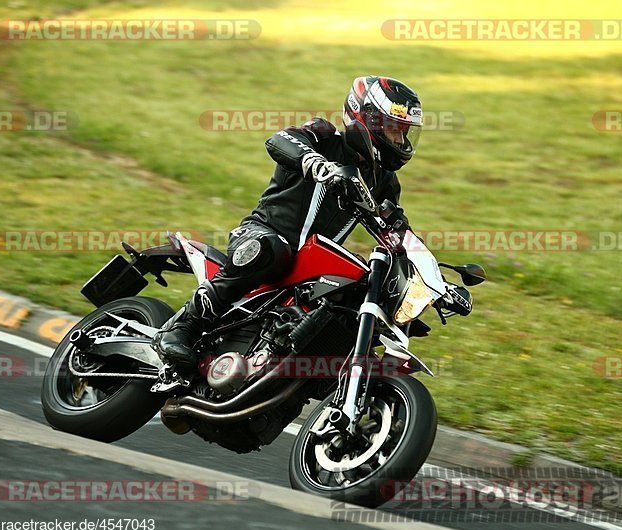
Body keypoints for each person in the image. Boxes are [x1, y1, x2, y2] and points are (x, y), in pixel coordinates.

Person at [154, 75, 424, 365]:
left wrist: (436, 282)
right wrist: (314, 162)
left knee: (357, 286)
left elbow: (397, 228)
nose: (401, 141)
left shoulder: (384, 181)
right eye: (395, 130)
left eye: (404, 133)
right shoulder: (324, 138)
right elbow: (280, 140)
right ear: (368, 119)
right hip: (262, 233)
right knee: (271, 249)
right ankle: (184, 327)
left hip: (310, 261)